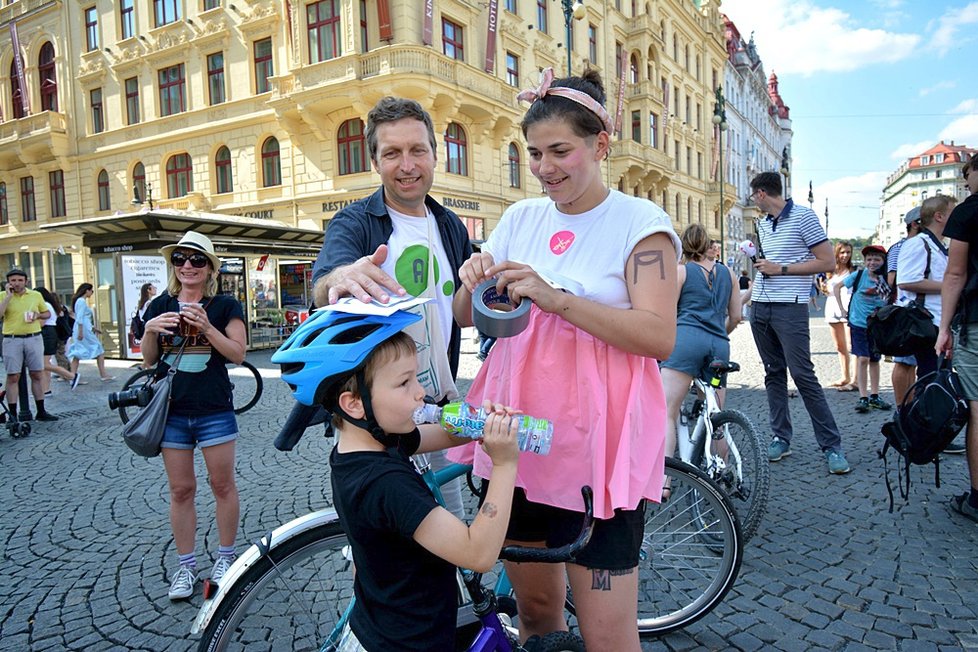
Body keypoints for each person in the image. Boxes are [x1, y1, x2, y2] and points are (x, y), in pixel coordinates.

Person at [450, 67, 680, 651]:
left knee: (607, 635)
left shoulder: (641, 225)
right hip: (518, 441)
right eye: (533, 153)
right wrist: (473, 280)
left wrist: (557, 299)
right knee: (536, 614)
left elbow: (657, 337)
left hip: (595, 453)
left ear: (599, 145)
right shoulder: (521, 218)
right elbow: (461, 314)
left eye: (560, 150)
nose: (545, 167)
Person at [278, 309, 520, 650]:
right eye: (405, 382)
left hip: (377, 628)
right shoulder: (385, 482)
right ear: (355, 404)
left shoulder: (367, 449)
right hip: (410, 642)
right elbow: (478, 553)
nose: (421, 393)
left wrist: (481, 427)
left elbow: (434, 436)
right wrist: (505, 464)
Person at [310, 96, 473, 518]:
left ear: (435, 155)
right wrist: (341, 279)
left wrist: (481, 283)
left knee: (448, 522)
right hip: (376, 417)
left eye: (418, 150)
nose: (407, 165)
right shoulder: (355, 222)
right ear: (375, 162)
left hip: (438, 403)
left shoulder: (450, 225)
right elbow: (326, 280)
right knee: (378, 545)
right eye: (392, 153)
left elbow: (459, 313)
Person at [140, 231, 247, 600]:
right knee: (181, 490)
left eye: (197, 259)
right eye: (181, 259)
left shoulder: (224, 306)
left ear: (210, 267)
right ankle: (186, 567)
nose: (188, 265)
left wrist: (206, 327)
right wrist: (150, 331)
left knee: (222, 485)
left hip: (214, 408)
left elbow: (236, 353)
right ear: (174, 265)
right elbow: (149, 361)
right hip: (171, 413)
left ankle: (226, 559)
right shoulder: (159, 305)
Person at [747, 171, 849, 474]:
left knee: (803, 375)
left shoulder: (804, 217)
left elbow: (827, 262)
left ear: (762, 193)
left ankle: (832, 446)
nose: (753, 200)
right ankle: (781, 437)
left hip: (790, 309)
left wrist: (782, 269)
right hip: (761, 307)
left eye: (754, 195)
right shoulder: (763, 225)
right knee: (772, 373)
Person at [661, 223, 740, 464]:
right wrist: (719, 332)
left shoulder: (681, 272)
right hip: (719, 347)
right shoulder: (730, 274)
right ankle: (722, 472)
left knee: (667, 411)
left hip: (686, 343)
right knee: (715, 415)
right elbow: (736, 316)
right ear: (707, 244)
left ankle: (665, 480)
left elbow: (667, 313)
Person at [937, 152, 978, 522]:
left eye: (968, 177)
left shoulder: (968, 212)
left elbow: (955, 274)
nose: (966, 183)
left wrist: (944, 328)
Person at [836, 245, 891, 413]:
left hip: (878, 324)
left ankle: (874, 396)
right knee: (863, 358)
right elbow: (837, 287)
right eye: (869, 259)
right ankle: (863, 396)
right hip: (858, 322)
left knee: (875, 360)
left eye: (877, 259)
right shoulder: (859, 275)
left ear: (883, 261)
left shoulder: (887, 278)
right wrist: (842, 309)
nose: (872, 262)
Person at [1, 268, 58, 422]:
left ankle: (41, 411)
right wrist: (7, 297)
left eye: (20, 280)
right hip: (12, 339)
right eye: (13, 280)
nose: (17, 283)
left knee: (37, 373)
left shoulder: (35, 295)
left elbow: (47, 313)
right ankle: (12, 413)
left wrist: (37, 315)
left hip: (34, 338)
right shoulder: (2, 296)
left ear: (26, 281)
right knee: (13, 376)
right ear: (8, 282)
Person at [889, 207, 921, 406]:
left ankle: (910, 405)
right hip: (904, 310)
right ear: (915, 223)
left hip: (919, 312)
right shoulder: (900, 247)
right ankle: (903, 407)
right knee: (903, 362)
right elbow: (892, 280)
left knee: (912, 364)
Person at [66, 283, 115, 382]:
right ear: (86, 291)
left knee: (78, 352)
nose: (92, 293)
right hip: (83, 330)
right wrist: (81, 332)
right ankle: (103, 374)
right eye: (91, 291)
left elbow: (82, 318)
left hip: (83, 329)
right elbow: (80, 318)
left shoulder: (80, 301)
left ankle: (72, 376)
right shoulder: (81, 301)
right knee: (99, 349)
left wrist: (93, 328)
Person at [824, 241, 855, 391]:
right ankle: (845, 376)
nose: (845, 255)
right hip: (832, 309)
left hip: (848, 309)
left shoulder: (853, 271)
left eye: (848, 252)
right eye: (842, 252)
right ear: (836, 253)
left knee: (852, 345)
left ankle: (855, 380)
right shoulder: (830, 270)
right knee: (839, 346)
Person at [36, 286, 78, 394]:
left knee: (44, 364)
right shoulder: (50, 305)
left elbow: (42, 323)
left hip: (46, 333)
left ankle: (71, 376)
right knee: (45, 364)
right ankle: (46, 389)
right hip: (51, 333)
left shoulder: (45, 305)